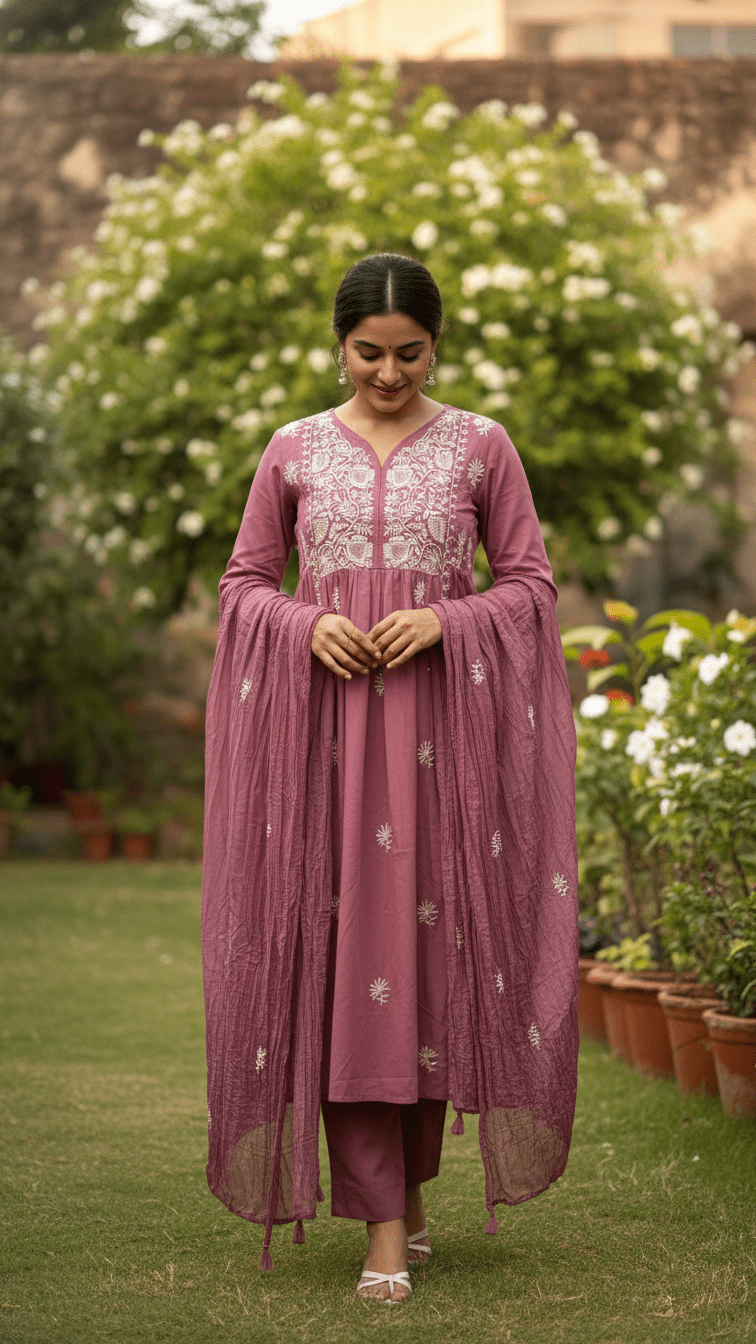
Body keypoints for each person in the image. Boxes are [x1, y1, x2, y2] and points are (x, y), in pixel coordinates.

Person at [201, 253, 579, 1304]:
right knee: (343, 965)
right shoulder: (291, 452)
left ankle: (408, 1192)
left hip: (440, 756)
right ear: (339, 347)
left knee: (428, 965)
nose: (388, 373)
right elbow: (241, 585)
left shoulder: (481, 447)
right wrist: (307, 620)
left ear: (437, 346)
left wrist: (444, 619)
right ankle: (378, 1224)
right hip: (321, 753)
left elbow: (532, 583)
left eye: (410, 353)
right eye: (369, 353)